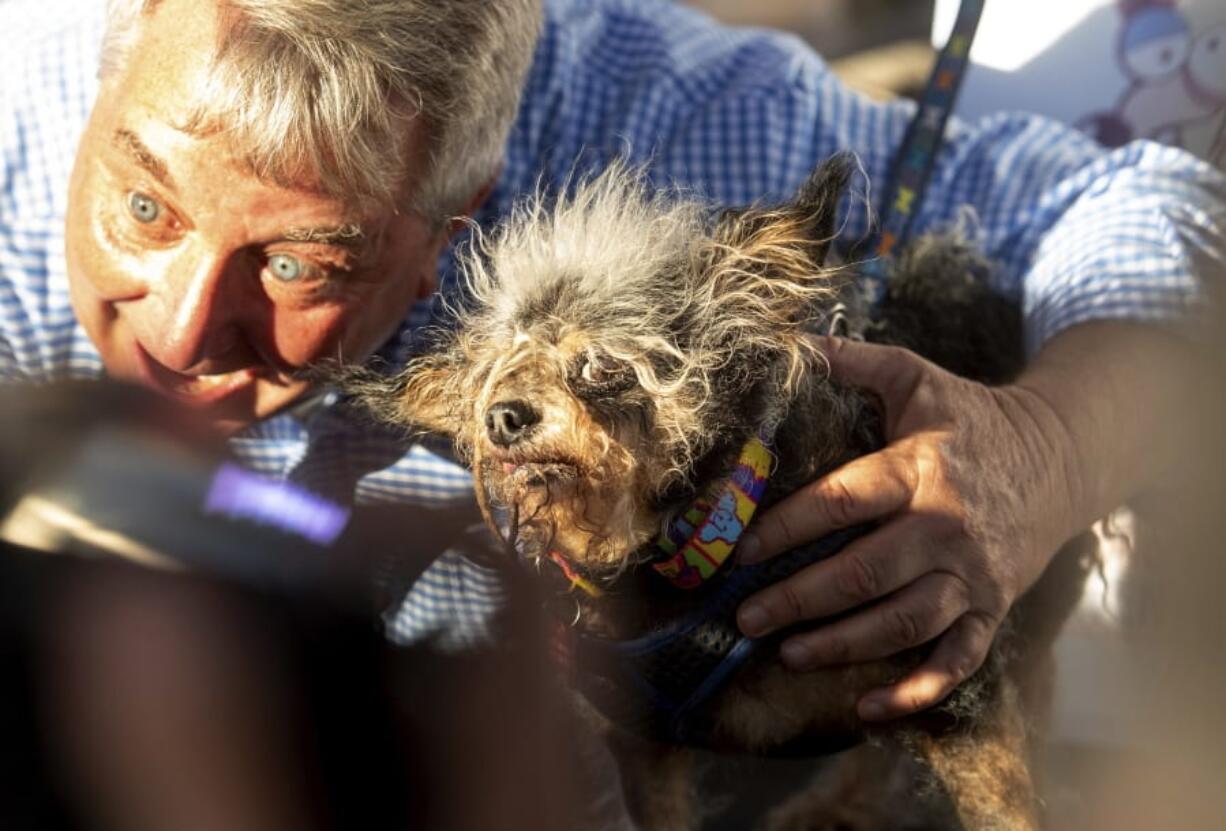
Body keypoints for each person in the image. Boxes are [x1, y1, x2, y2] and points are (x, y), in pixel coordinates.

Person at [2, 0, 1222, 726]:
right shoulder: (19, 100)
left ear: (462, 213)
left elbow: (1130, 196)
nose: (170, 329)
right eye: (143, 210)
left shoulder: (655, 125)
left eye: (301, 266)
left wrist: (1048, 447)